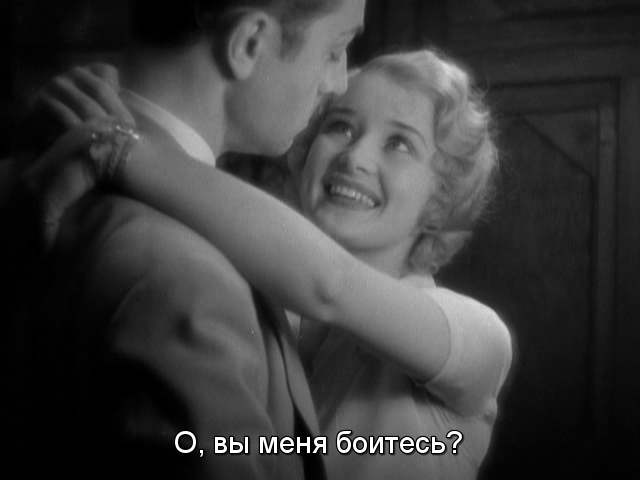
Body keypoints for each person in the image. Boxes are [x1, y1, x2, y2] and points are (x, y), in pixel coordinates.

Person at [23, 48, 512, 479]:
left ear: (441, 198)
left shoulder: (478, 338)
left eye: (399, 144)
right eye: (340, 126)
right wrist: (109, 108)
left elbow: (329, 285)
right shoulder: (254, 297)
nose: (355, 157)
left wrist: (117, 144)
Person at [4, 1, 366, 479]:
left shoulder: (27, 164)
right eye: (335, 50)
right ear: (249, 43)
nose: (338, 82)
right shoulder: (191, 281)